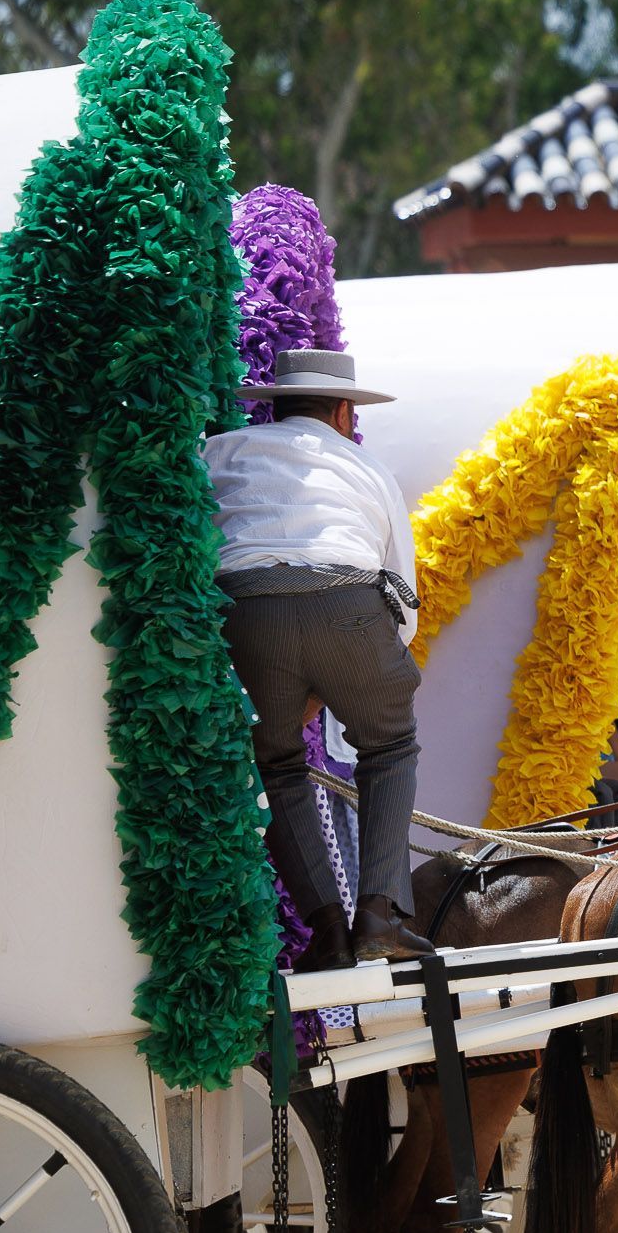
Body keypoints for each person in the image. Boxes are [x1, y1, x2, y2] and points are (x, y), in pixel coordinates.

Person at [203, 348, 431, 966]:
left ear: (277, 407)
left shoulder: (220, 450)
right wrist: (356, 675)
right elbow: (401, 591)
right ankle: (379, 915)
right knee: (389, 745)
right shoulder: (366, 466)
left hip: (246, 609)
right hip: (346, 602)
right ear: (343, 412)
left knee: (274, 765)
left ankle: (327, 930)